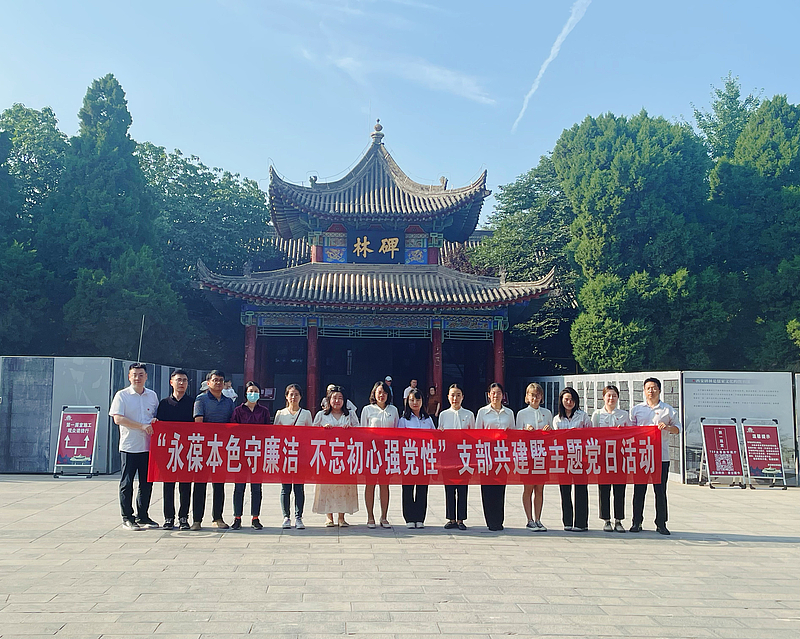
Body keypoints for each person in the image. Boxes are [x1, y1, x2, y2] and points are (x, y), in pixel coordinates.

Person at [109, 363, 160, 531]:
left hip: (148, 446)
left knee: (146, 483)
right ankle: (127, 517)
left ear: (146, 377)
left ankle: (143, 515)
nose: (137, 378)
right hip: (129, 446)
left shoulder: (152, 395)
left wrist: (154, 422)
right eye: (134, 375)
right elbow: (118, 419)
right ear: (129, 377)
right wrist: (141, 426)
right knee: (127, 483)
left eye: (141, 375)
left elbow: (155, 417)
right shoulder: (122, 395)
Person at [629, 377, 681, 535]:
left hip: (660, 456)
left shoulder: (668, 410)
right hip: (642, 455)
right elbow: (630, 430)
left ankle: (661, 523)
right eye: (648, 388)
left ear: (659, 390)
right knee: (639, 490)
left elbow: (678, 429)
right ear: (644, 391)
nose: (651, 391)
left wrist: (667, 428)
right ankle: (636, 521)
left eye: (654, 388)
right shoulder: (636, 410)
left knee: (660, 490)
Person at [192, 369, 235, 530]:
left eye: (221, 380)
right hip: (203, 447)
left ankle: (218, 517)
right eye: (215, 380)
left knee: (219, 485)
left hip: (221, 448)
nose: (218, 383)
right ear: (208, 382)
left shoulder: (229, 402)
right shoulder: (201, 399)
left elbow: (232, 423)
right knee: (200, 484)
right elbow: (198, 421)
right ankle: (197, 520)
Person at [312, 386, 359, 526]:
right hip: (327, 457)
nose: (337, 401)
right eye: (334, 398)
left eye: (340, 398)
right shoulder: (321, 415)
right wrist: (323, 431)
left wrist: (350, 431)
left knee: (343, 486)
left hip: (345, 457)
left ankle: (341, 517)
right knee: (327, 485)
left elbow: (359, 431)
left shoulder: (350, 415)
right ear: (329, 400)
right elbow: (312, 433)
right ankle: (329, 516)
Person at [156, 369, 194, 531]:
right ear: (171, 382)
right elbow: (159, 426)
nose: (181, 383)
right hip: (169, 450)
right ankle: (169, 518)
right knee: (168, 484)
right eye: (178, 380)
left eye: (184, 380)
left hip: (187, 449)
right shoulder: (164, 403)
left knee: (185, 485)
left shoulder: (192, 402)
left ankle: (183, 517)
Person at [230, 381, 271, 531]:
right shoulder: (238, 410)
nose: (253, 393)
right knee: (239, 487)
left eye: (255, 391)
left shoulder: (264, 411)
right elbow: (233, 430)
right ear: (246, 393)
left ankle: (255, 517)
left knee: (256, 487)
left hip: (257, 454)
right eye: (250, 391)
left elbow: (268, 431)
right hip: (241, 453)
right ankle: (237, 517)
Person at [513, 382, 553, 532]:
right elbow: (516, 433)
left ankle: (538, 519)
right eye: (532, 395)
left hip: (542, 455)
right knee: (528, 488)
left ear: (541, 397)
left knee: (540, 488)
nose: (535, 398)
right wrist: (525, 429)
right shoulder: (522, 413)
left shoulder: (547, 413)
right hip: (528, 455)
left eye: (537, 395)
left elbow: (553, 434)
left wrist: (549, 430)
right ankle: (529, 519)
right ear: (527, 397)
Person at [475, 382, 515, 531]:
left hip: (503, 455)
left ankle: (499, 520)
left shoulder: (509, 413)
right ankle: (490, 520)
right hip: (487, 454)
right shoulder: (482, 412)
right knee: (487, 488)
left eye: (499, 393)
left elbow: (514, 433)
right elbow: (477, 434)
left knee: (500, 487)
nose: (496, 396)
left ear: (503, 395)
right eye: (493, 393)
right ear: (488, 395)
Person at [591, 385, 631, 533]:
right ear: (603, 397)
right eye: (608, 395)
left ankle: (619, 520)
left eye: (614, 395)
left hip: (619, 456)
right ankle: (606, 520)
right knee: (604, 488)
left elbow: (631, 434)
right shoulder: (597, 414)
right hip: (603, 456)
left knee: (620, 488)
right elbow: (593, 435)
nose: (611, 398)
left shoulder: (624, 415)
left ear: (618, 397)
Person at [273, 383, 313, 530]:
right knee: (285, 488)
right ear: (286, 396)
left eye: (296, 394)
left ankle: (298, 517)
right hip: (284, 455)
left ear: (301, 397)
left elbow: (311, 434)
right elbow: (275, 435)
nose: (293, 397)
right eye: (291, 394)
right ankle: (286, 516)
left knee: (299, 487)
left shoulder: (306, 414)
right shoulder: (280, 413)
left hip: (300, 455)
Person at [360, 381, 399, 528]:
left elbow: (397, 430)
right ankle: (370, 516)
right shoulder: (367, 410)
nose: (381, 395)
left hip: (387, 452)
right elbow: (362, 431)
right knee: (370, 484)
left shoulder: (393, 410)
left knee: (384, 484)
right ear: (374, 394)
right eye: (379, 392)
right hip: (371, 452)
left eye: (384, 392)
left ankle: (384, 517)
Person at [553, 387, 592, 532]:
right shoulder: (557, 419)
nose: (569, 402)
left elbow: (591, 435)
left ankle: (581, 523)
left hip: (581, 458)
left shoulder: (583, 416)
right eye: (566, 399)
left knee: (581, 490)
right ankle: (567, 521)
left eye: (572, 399)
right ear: (561, 401)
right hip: (564, 459)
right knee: (565, 490)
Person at [438, 383, 475, 530]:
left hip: (464, 456)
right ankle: (451, 518)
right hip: (448, 455)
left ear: (462, 397)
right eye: (452, 395)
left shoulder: (469, 415)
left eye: (458, 395)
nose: (455, 398)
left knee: (462, 488)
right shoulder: (443, 414)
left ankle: (461, 519)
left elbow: (474, 435)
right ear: (448, 397)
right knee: (449, 488)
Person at [398, 388, 436, 528]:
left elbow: (434, 437)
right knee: (408, 489)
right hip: (408, 458)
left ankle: (420, 518)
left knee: (422, 489)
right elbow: (399, 439)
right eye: (412, 400)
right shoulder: (403, 420)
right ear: (407, 402)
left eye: (418, 400)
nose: (415, 403)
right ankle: (409, 518)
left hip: (424, 459)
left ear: (422, 401)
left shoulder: (428, 419)